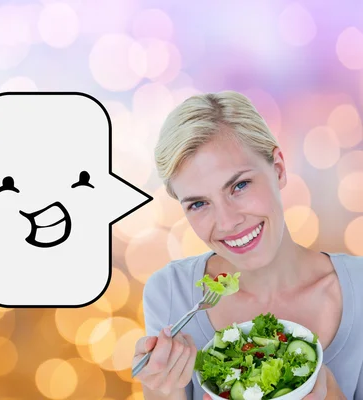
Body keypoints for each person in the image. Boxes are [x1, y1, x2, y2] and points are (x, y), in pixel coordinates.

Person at [132, 91, 362, 399]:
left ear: (278, 168)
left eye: (239, 185)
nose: (227, 222)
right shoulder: (170, 293)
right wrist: (161, 386)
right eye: (199, 204)